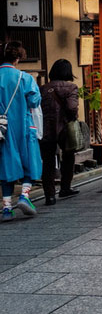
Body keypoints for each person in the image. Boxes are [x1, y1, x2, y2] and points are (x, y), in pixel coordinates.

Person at [0, 42, 40, 221]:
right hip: (22, 126)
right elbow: (34, 101)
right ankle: (24, 195)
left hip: (2, 129)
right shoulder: (24, 77)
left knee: (5, 163)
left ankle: (7, 207)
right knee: (29, 160)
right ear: (18, 58)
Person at [39, 59, 80, 206]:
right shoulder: (71, 87)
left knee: (48, 162)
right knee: (68, 156)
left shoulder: (43, 88)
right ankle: (65, 187)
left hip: (45, 128)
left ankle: (49, 196)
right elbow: (71, 107)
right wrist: (73, 118)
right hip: (64, 128)